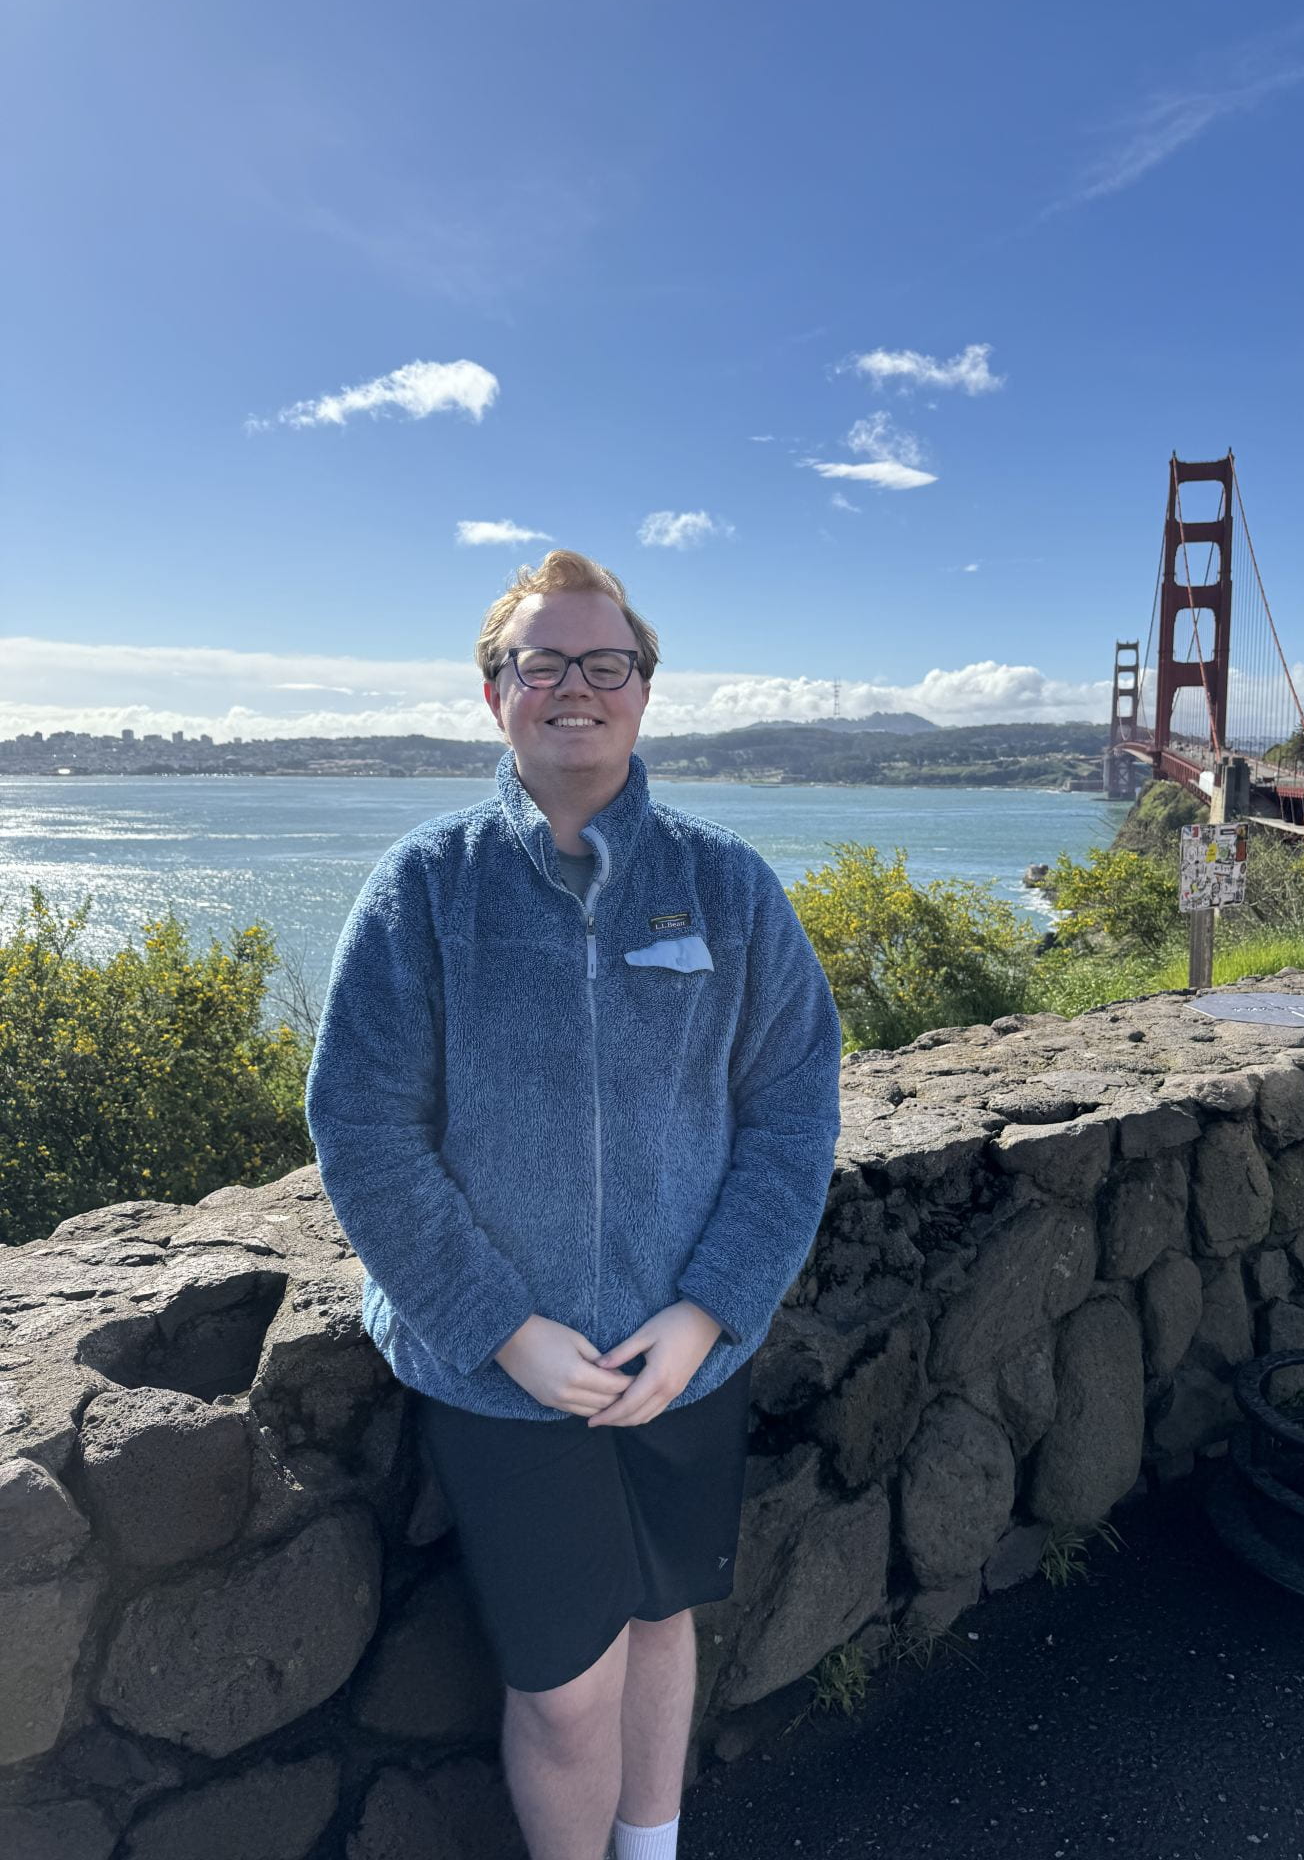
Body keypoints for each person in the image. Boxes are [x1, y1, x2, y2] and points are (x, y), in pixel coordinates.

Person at [304, 549, 843, 1860]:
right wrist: (503, 1329)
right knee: (564, 1693)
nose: (575, 688)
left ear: (645, 693)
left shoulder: (729, 889)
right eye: (540, 663)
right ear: (494, 695)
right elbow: (362, 1130)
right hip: (503, 1381)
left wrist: (712, 1311)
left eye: (607, 663)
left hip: (683, 1365)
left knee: (663, 1626)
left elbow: (793, 1111)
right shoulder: (424, 892)